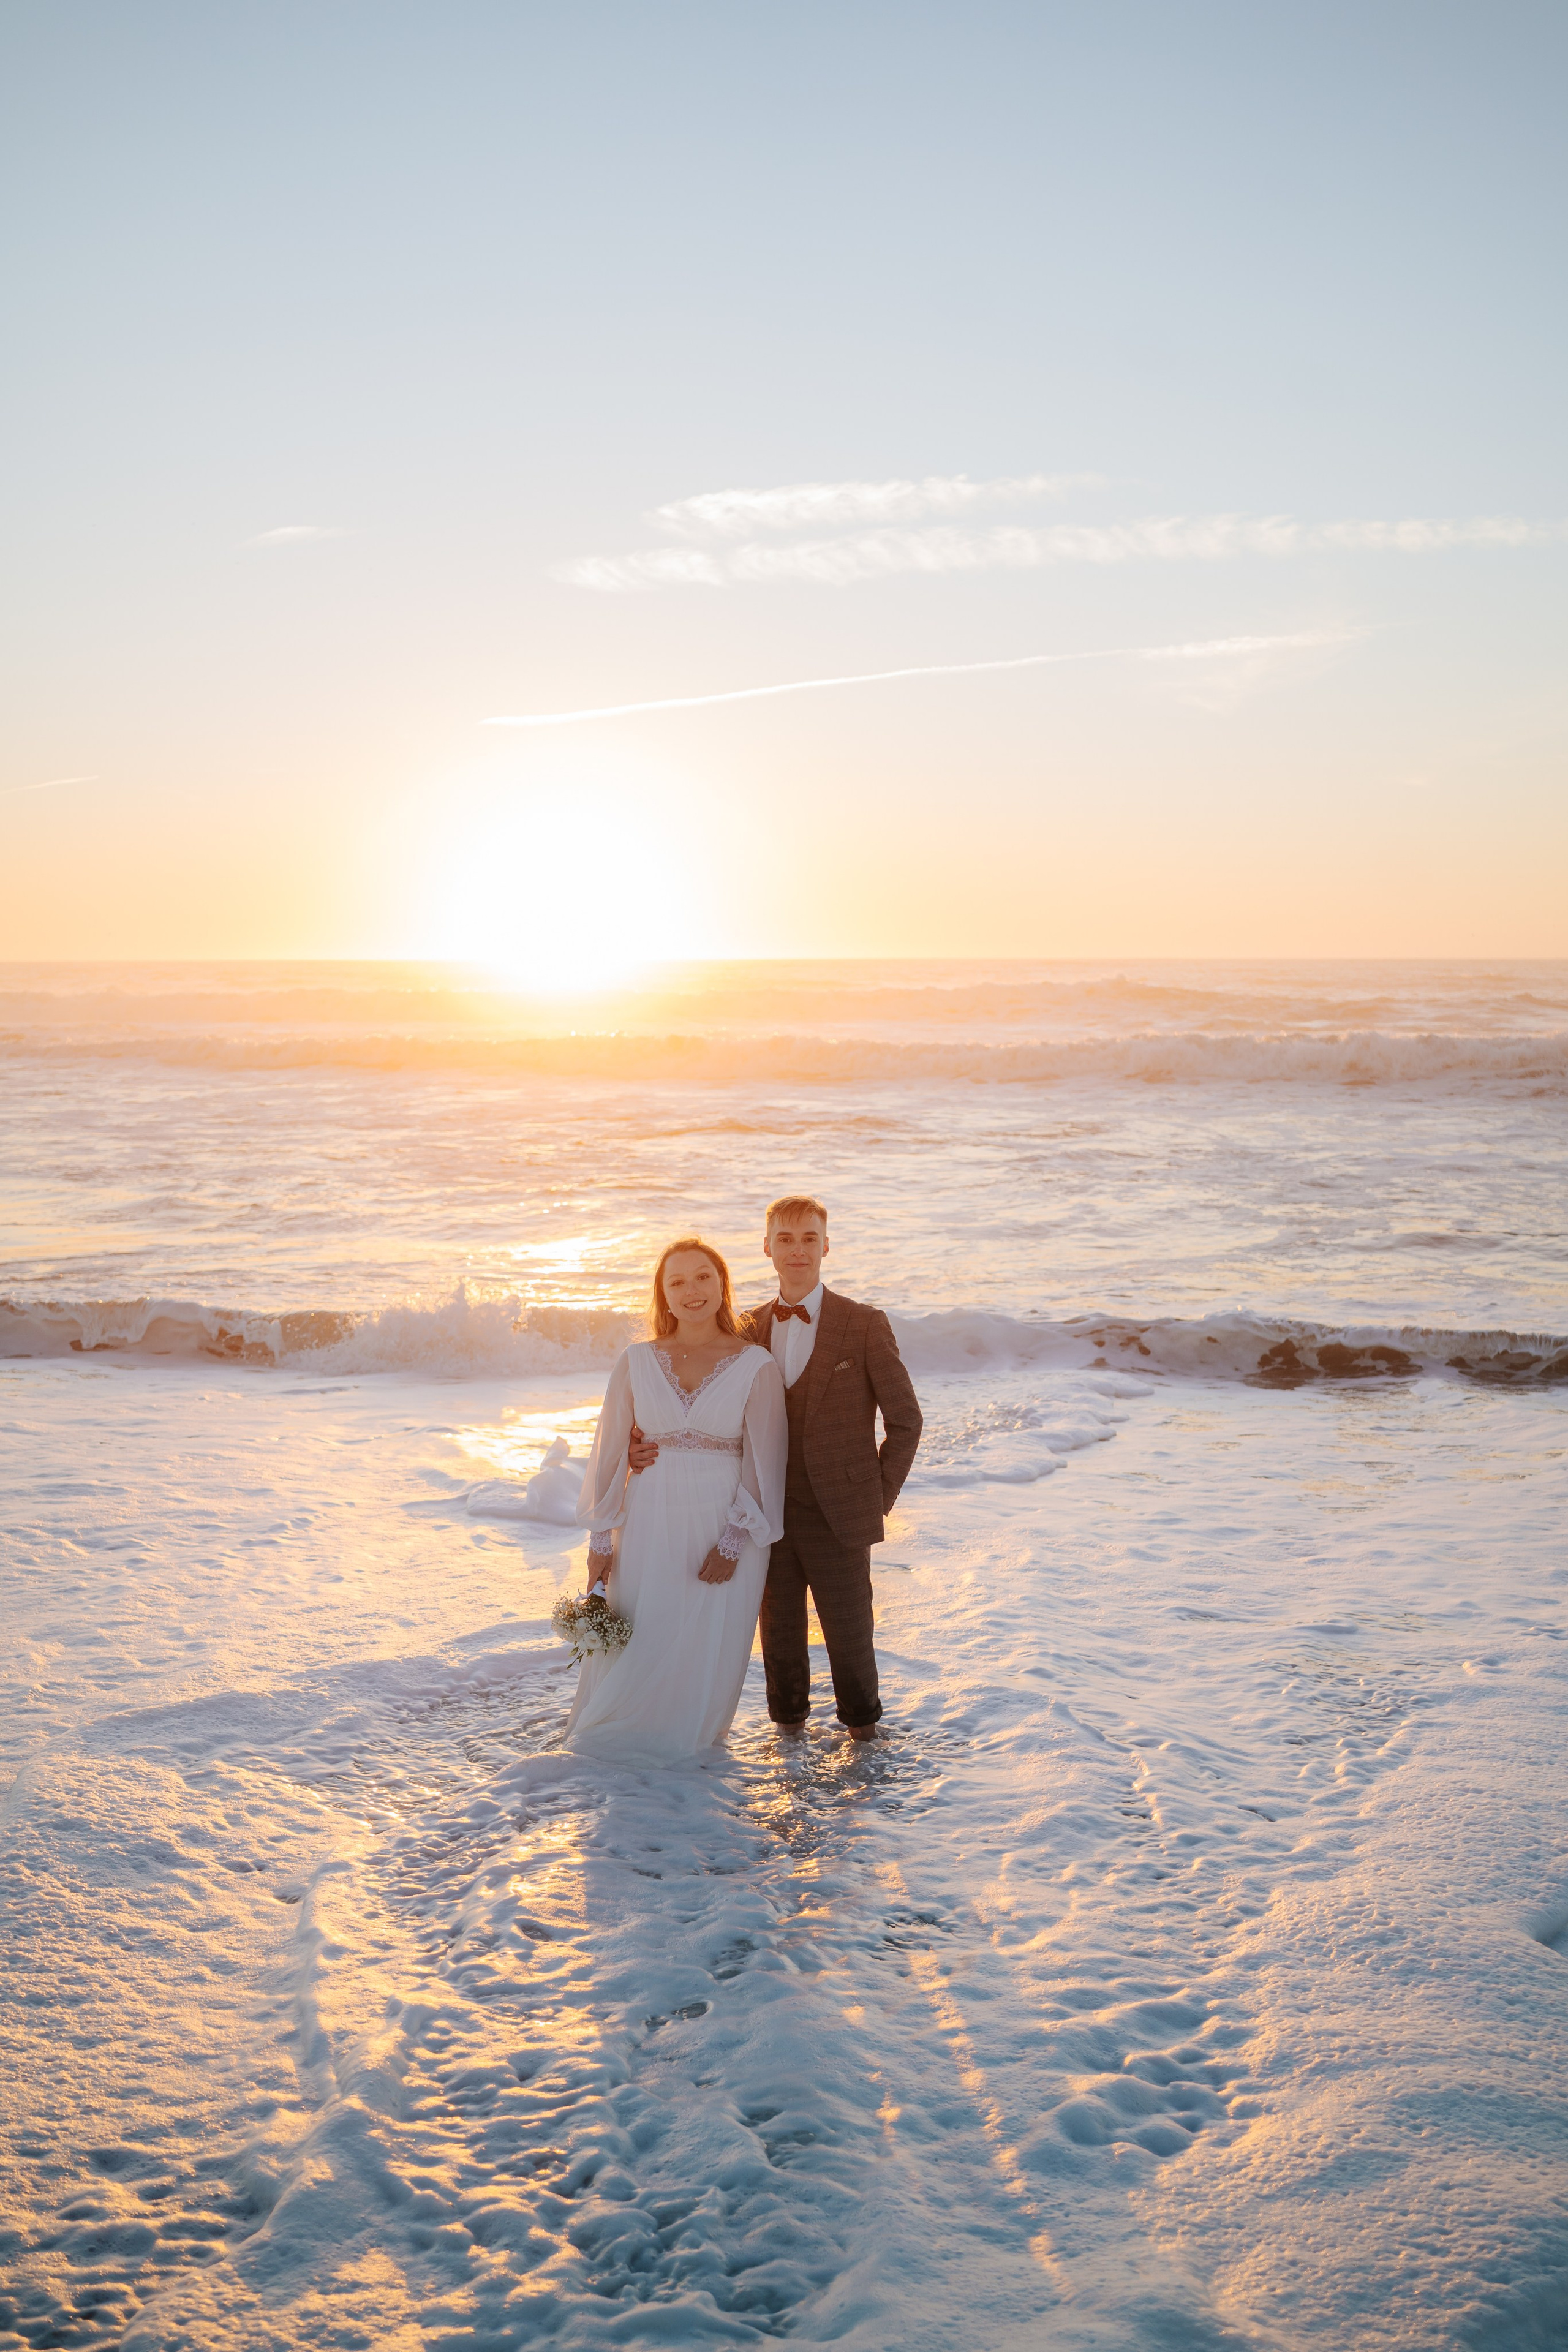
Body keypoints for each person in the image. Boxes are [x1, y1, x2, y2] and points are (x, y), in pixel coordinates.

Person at [630, 1196, 922, 1742]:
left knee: (851, 1640)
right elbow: (700, 1408)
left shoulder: (863, 1324)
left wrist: (876, 1496)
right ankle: (788, 1756)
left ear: (826, 1246)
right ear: (766, 1248)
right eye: (785, 1240)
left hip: (839, 1515)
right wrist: (636, 1443)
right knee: (779, 1639)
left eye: (809, 1238)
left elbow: (906, 1421)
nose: (797, 1250)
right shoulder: (744, 1330)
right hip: (760, 1513)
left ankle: (866, 1760)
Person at [567, 1237, 786, 1760]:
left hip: (726, 1525)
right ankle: (616, 1761)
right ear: (662, 1295)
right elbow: (610, 1452)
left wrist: (733, 1542)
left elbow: (766, 1462)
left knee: (704, 1646)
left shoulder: (757, 1365)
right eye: (678, 1281)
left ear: (722, 1284)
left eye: (704, 1277)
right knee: (642, 1635)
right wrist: (601, 1537)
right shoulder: (636, 1360)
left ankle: (688, 1773)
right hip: (646, 1521)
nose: (692, 1291)